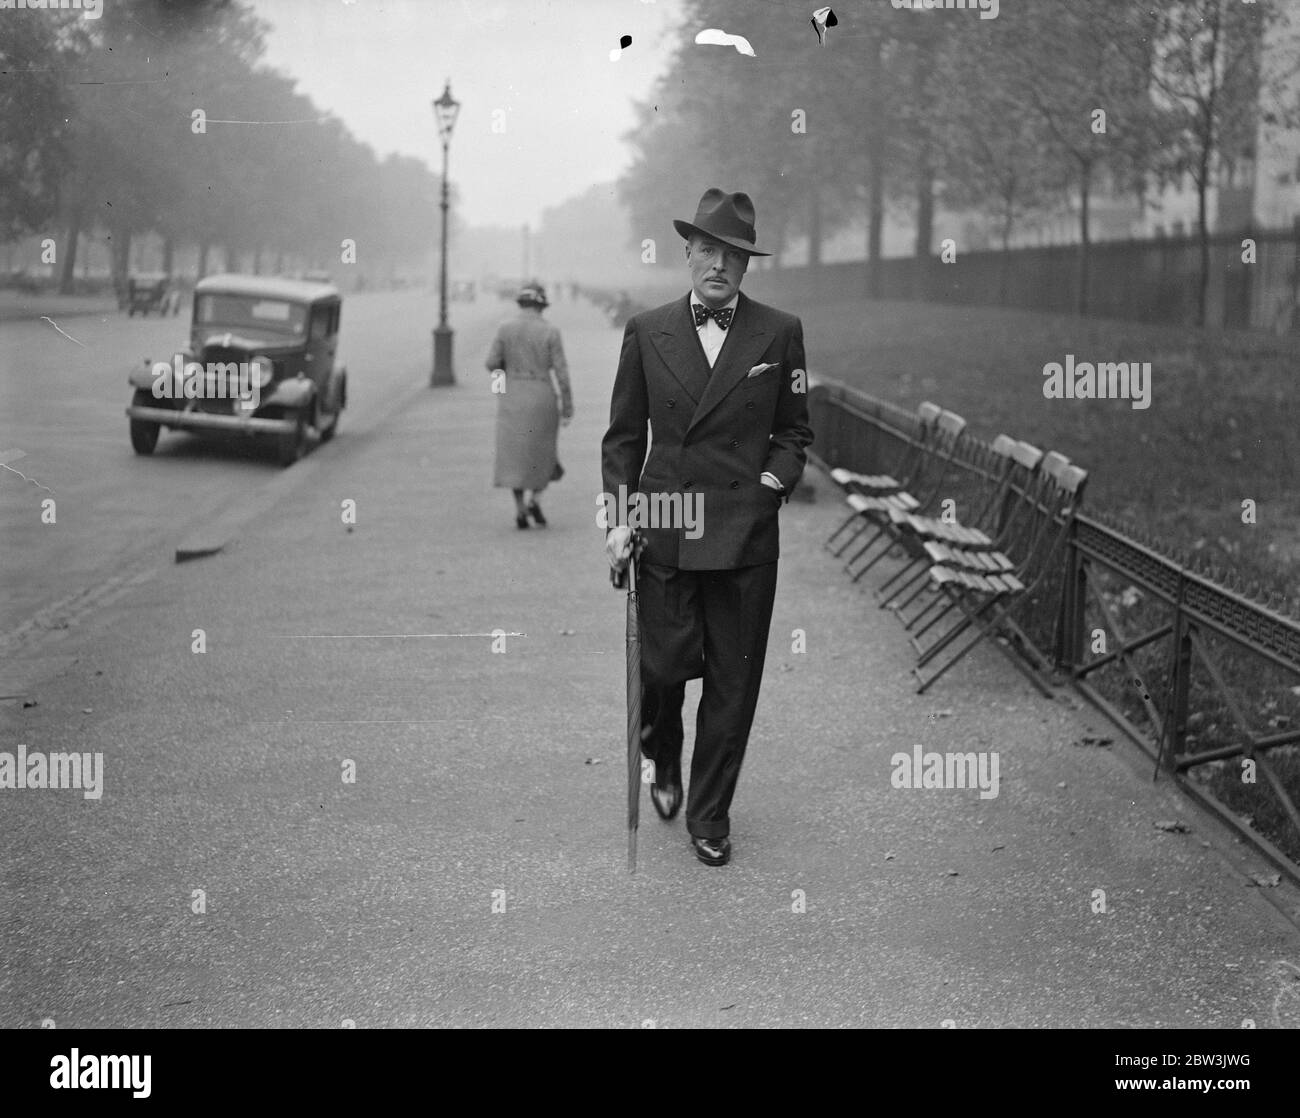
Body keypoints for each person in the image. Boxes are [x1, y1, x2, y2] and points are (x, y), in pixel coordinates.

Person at [601, 188, 813, 866]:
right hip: (665, 522)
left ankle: (709, 815)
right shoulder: (647, 329)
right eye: (707, 251)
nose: (718, 265)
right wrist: (618, 519)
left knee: (732, 682)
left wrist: (768, 489)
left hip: (745, 536)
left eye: (733, 255)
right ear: (687, 254)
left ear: (747, 265)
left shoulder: (779, 333)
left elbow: (794, 432)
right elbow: (623, 440)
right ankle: (661, 751)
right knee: (663, 670)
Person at [485, 281, 574, 528]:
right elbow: (562, 373)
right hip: (542, 395)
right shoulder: (550, 331)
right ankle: (536, 498)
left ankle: (520, 508)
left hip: (512, 396)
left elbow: (492, 362)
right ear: (541, 306)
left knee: (514, 456)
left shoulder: (504, 328)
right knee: (541, 452)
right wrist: (567, 407)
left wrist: (504, 381)